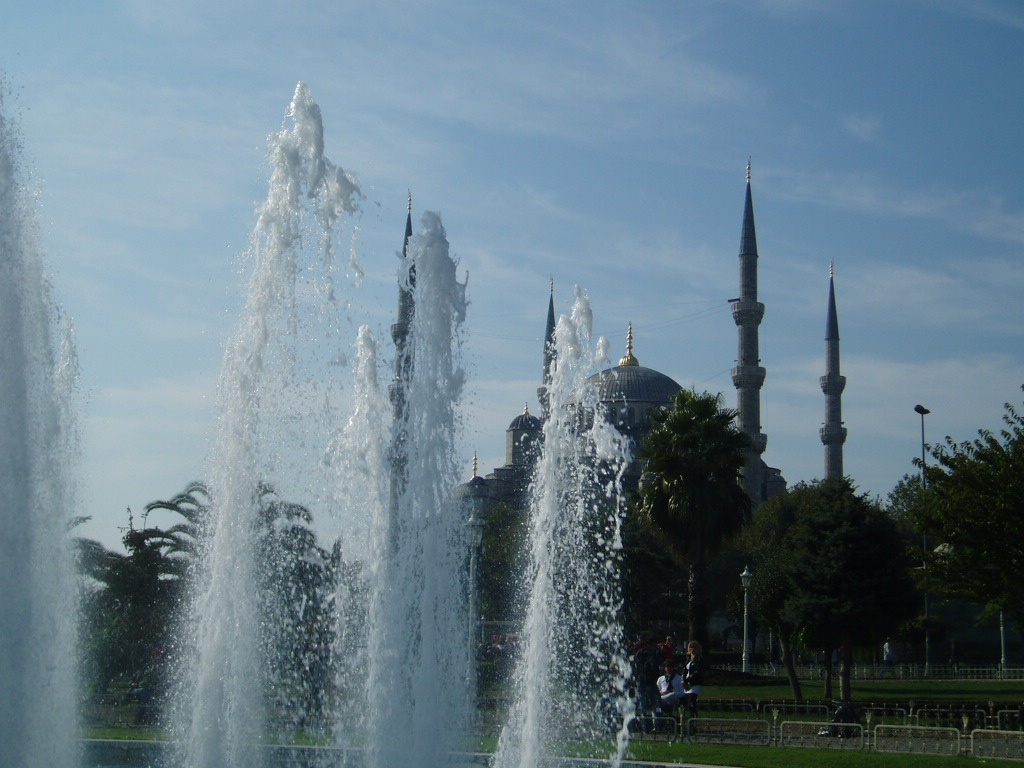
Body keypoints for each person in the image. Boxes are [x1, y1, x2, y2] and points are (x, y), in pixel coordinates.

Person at [681, 640, 705, 718]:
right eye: (691, 647)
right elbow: (685, 670)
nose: (692, 649)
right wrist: (684, 680)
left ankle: (694, 718)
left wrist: (687, 680)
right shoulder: (688, 659)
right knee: (686, 702)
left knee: (692, 700)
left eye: (694, 647)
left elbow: (697, 672)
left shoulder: (699, 660)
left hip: (695, 684)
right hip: (687, 684)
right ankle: (688, 718)